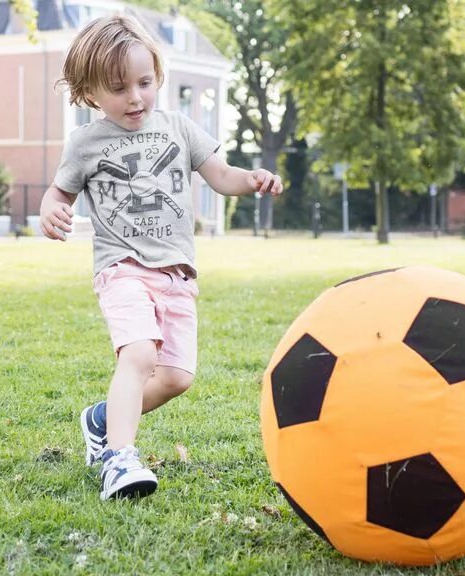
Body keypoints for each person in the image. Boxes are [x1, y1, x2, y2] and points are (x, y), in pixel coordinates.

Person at [39, 14, 282, 500]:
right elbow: (58, 194)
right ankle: (119, 459)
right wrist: (50, 211)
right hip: (122, 268)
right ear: (89, 92)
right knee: (139, 353)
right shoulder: (85, 143)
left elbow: (222, 175)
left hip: (177, 274)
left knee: (175, 376)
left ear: (158, 76)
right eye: (118, 88)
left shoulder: (179, 128)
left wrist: (251, 179)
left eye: (144, 83)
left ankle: (101, 420)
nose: (134, 98)